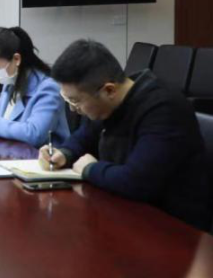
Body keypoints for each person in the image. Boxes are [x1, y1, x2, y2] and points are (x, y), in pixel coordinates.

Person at [41, 40, 211, 230]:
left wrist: (91, 169)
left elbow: (137, 182)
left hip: (173, 228)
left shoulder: (164, 108)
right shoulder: (109, 103)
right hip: (126, 213)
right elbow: (84, 137)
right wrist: (64, 153)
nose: (73, 109)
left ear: (109, 90)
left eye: (75, 101)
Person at [0, 26, 69, 147]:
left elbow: (34, 133)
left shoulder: (48, 88)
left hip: (39, 156)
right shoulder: (11, 81)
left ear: (16, 59)